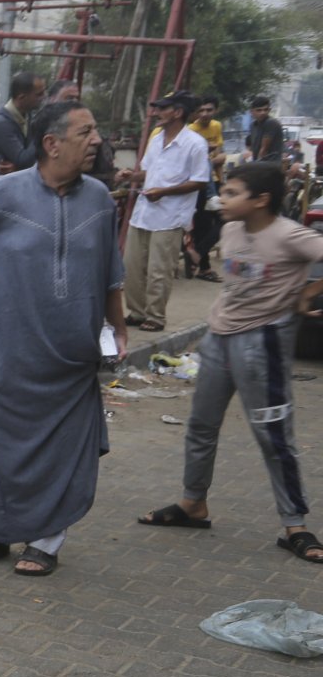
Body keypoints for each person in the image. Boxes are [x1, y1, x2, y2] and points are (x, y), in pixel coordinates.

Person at [0, 100, 128, 578]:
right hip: (5, 348)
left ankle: (48, 539)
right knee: (0, 446)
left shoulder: (99, 198)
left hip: (71, 353)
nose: (96, 140)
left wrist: (118, 327)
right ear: (52, 144)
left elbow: (110, 273)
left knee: (65, 448)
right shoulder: (0, 194)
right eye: (86, 132)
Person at [138, 163, 323, 561]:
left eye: (233, 192)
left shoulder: (289, 235)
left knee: (274, 438)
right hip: (218, 340)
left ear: (261, 200)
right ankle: (193, 504)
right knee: (201, 426)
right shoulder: (231, 228)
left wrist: (308, 294)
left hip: (263, 346)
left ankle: (295, 525)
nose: (223, 199)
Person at [123, 91, 211, 333]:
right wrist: (132, 176)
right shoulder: (156, 139)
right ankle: (137, 311)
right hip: (143, 213)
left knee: (159, 270)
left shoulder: (195, 144)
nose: (157, 113)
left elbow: (200, 181)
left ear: (177, 112)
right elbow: (148, 173)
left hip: (170, 216)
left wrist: (164, 191)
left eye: (163, 108)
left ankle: (155, 316)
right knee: (131, 266)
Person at [185, 96, 227, 281]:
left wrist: (222, 181)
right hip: (199, 184)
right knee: (203, 224)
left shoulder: (216, 126)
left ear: (215, 110)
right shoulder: (191, 130)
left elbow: (219, 155)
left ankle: (197, 254)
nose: (204, 114)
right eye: (201, 111)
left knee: (225, 221)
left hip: (214, 181)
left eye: (208, 110)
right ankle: (203, 267)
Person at [0, 70, 47, 176]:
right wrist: (41, 130)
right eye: (39, 94)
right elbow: (23, 159)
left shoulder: (27, 116)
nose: (44, 97)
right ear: (21, 98)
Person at [245, 95, 284, 165]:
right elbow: (253, 148)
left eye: (265, 110)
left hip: (270, 165)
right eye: (259, 110)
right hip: (259, 163)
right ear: (252, 112)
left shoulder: (271, 123)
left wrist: (256, 166)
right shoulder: (253, 125)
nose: (263, 113)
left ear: (269, 110)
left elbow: (264, 150)